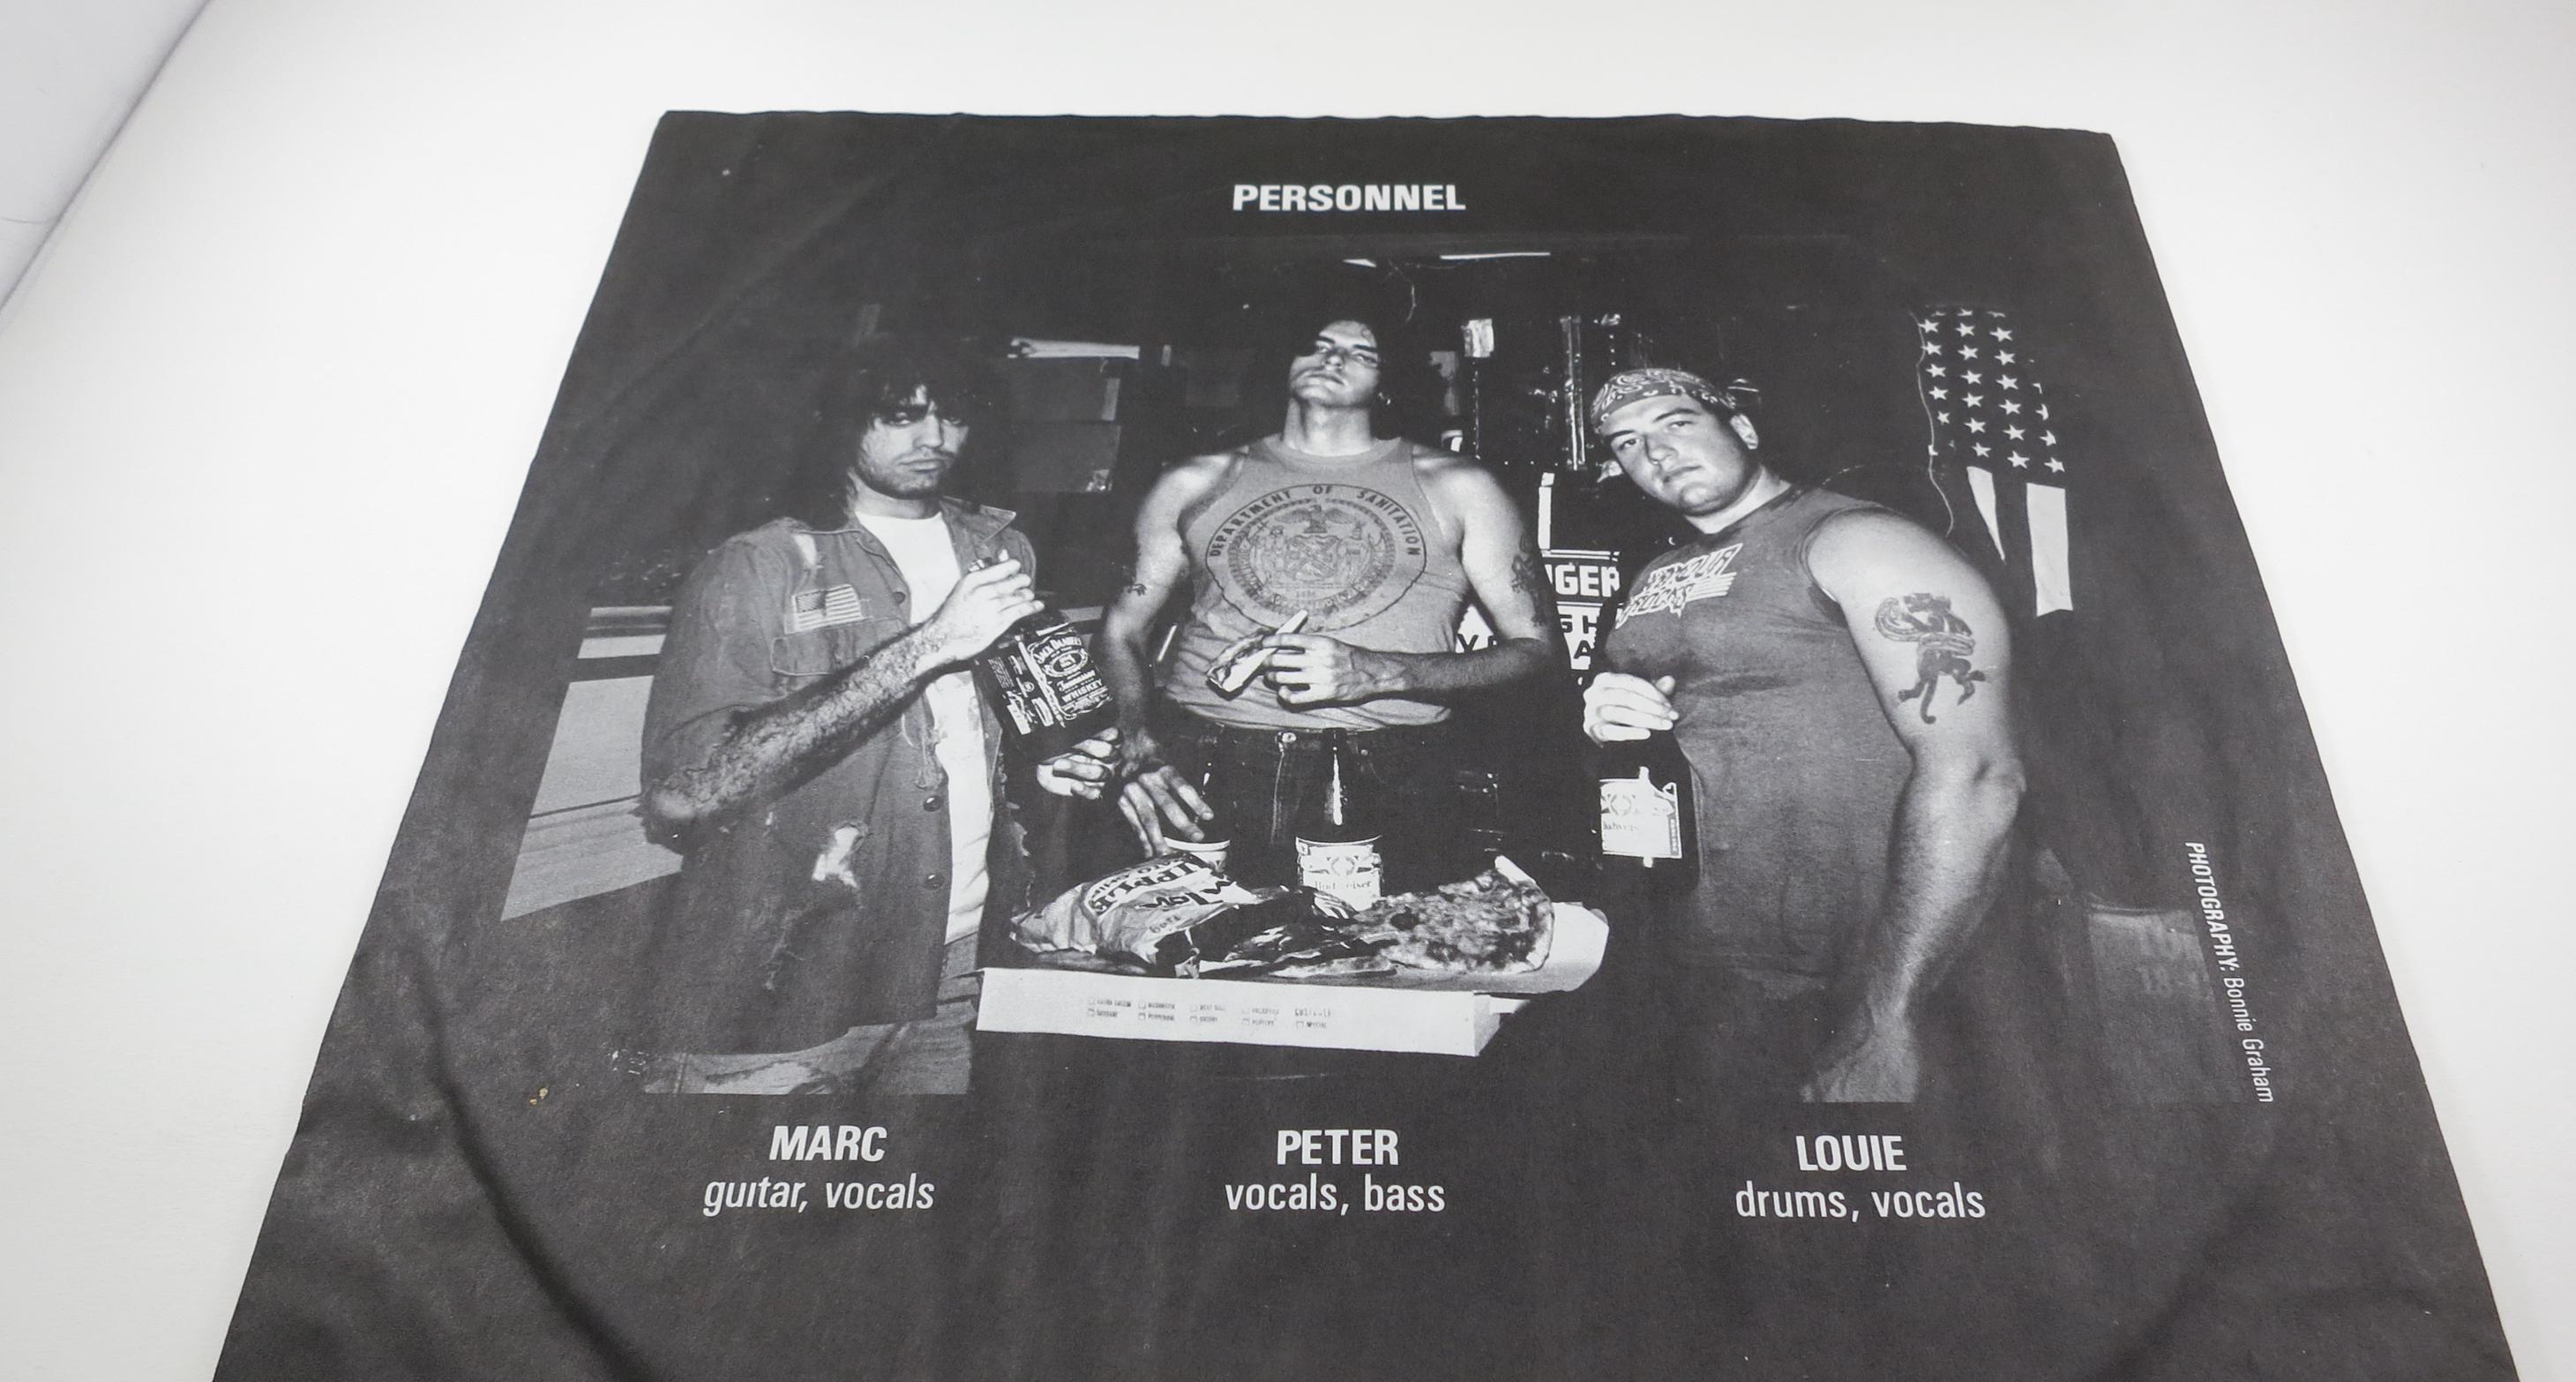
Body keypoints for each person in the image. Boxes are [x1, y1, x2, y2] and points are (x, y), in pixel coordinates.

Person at [632, 336, 1114, 1095]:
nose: (934, 438)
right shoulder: (760, 564)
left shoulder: (1001, 547)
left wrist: (1046, 769)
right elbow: (684, 794)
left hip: (959, 959)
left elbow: (975, 737)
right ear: (843, 421)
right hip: (790, 975)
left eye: (952, 417)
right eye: (900, 416)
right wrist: (929, 644)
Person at [1582, 367, 2025, 1104]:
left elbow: (1978, 775)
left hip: (1844, 975)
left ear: (1743, 428)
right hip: (1688, 963)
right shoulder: (1654, 574)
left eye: (1677, 423)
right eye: (1627, 443)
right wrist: (1608, 722)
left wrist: (1889, 1019)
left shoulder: (1858, 540)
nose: (1655, 452)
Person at [1097, 300, 1560, 886]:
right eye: (1317, 345)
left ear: (1388, 382)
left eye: (1361, 353)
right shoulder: (1195, 479)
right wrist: (1136, 736)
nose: (1333, 359)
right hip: (1206, 753)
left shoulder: (1461, 486)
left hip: (1387, 763)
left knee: (1387, 939)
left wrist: (1381, 672)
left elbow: (1537, 651)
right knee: (1195, 937)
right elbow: (1121, 628)